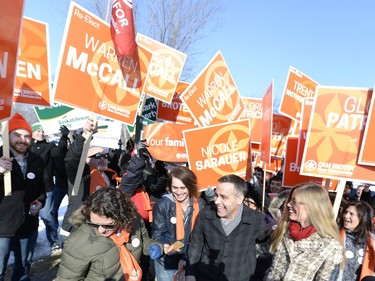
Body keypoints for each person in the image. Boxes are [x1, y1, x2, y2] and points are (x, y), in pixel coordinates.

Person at [56, 187, 163, 281]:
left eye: (108, 225)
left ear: (122, 217)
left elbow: (143, 239)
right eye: (94, 224)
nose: (101, 230)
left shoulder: (134, 221)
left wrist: (151, 245)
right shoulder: (77, 243)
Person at [185, 174, 267, 281]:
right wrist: (190, 273)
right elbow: (196, 245)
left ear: (240, 199)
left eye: (223, 197)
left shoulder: (256, 220)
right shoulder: (205, 214)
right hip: (206, 276)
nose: (217, 201)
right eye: (216, 195)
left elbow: (265, 245)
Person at [263, 183, 344, 280]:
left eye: (294, 201)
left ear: (311, 206)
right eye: (290, 200)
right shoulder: (283, 229)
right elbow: (261, 251)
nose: (288, 204)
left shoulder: (330, 246)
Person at [0, 113, 46, 281]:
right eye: (17, 135)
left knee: (23, 268)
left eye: (27, 136)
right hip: (2, 227)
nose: (23, 139)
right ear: (7, 134)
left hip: (28, 225)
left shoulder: (36, 160)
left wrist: (40, 202)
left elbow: (42, 187)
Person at [61, 117, 119, 238]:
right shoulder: (80, 174)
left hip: (101, 229)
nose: (103, 159)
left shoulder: (111, 175)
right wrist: (85, 134)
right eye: (97, 156)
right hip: (76, 230)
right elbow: (71, 160)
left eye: (105, 156)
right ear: (86, 159)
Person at [152, 166, 205, 281]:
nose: (179, 192)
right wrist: (164, 246)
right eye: (175, 188)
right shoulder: (163, 205)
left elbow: (201, 236)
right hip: (167, 261)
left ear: (190, 186)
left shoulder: (200, 204)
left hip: (191, 258)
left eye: (183, 188)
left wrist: (187, 258)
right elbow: (157, 233)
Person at [30, 122, 69, 253]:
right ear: (32, 132)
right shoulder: (26, 147)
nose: (41, 133)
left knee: (47, 216)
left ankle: (53, 240)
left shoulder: (49, 146)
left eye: (42, 131)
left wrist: (64, 137)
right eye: (38, 131)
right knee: (26, 217)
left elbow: (58, 153)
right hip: (25, 189)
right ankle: (27, 242)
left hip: (45, 188)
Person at [339, 201, 374, 281]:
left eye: (351, 214)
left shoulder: (371, 242)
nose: (346, 216)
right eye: (345, 212)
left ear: (363, 218)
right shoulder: (335, 236)